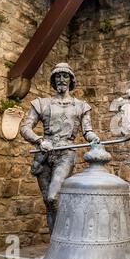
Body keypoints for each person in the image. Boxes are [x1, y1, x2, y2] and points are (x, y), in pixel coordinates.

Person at [20, 63, 100, 235]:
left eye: (64, 76)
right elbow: (25, 127)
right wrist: (39, 140)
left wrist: (94, 138)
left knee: (53, 196)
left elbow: (88, 130)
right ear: (53, 80)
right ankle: (54, 247)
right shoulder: (41, 103)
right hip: (43, 155)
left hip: (65, 153)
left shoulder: (81, 106)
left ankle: (64, 239)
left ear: (71, 80)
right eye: (58, 76)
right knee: (48, 204)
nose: (61, 79)